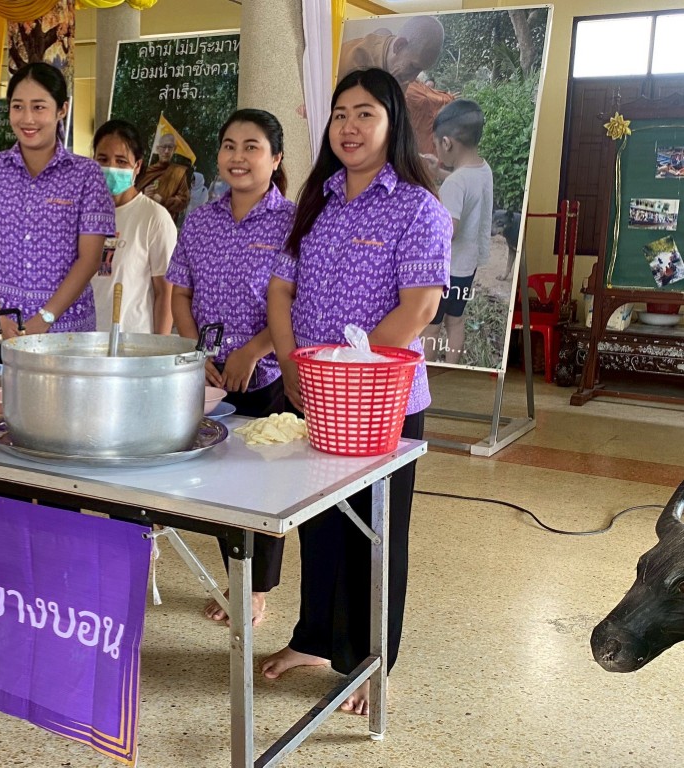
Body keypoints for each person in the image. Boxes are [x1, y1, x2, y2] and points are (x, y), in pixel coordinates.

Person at [262, 68, 451, 714]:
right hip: (313, 394)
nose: (349, 126)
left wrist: (345, 372)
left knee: (376, 535)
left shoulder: (417, 208)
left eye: (365, 113)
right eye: (340, 113)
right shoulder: (315, 201)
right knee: (318, 526)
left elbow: (418, 307)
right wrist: (292, 365)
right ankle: (313, 639)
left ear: (392, 124)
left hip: (380, 403)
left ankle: (372, 662)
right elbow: (281, 288)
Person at [165, 108, 296, 627]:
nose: (237, 157)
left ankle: (256, 589)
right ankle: (234, 575)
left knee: (262, 486)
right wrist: (198, 353)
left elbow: (298, 301)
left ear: (276, 158)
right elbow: (180, 293)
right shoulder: (201, 220)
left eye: (252, 147)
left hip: (264, 378)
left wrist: (255, 351)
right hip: (210, 378)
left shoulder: (292, 222)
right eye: (229, 146)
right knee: (221, 482)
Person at [0, 62, 115, 363]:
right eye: (18, 107)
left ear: (62, 110)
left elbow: (90, 259)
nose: (27, 118)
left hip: (66, 334)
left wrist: (45, 318)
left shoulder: (86, 175)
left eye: (39, 107)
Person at [422, 100, 493, 365]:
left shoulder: (454, 183)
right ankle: (452, 368)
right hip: (467, 266)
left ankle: (427, 373)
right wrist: (439, 172)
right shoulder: (483, 169)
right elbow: (468, 189)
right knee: (456, 321)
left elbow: (449, 230)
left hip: (446, 270)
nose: (437, 150)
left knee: (431, 326)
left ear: (447, 143)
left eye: (436, 145)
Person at [91, 119, 177, 335]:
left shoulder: (154, 218)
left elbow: (166, 294)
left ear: (137, 166)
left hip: (132, 345)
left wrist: (159, 349)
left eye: (121, 161)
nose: (111, 168)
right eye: (103, 159)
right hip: (82, 340)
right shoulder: (83, 214)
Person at [338, 17, 455, 154]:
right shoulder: (352, 65)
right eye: (413, 66)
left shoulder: (399, 75)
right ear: (399, 45)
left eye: (420, 71)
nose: (413, 78)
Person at [136, 132, 191, 218]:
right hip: (143, 217)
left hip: (163, 220)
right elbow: (132, 194)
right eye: (163, 147)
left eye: (170, 147)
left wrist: (163, 201)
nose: (166, 151)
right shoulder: (147, 171)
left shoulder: (178, 173)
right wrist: (144, 193)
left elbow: (183, 202)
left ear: (174, 149)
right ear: (158, 149)